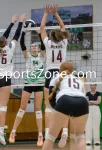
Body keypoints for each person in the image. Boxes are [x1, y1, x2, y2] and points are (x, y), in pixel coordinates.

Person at [0, 13, 27, 145]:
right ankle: (0, 129)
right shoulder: (10, 48)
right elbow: (16, 35)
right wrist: (20, 22)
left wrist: (12, 22)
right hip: (4, 79)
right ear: (5, 43)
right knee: (2, 107)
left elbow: (4, 35)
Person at [9, 29, 46, 146]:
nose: (34, 47)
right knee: (22, 107)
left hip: (39, 85)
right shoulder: (27, 55)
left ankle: (40, 135)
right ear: (30, 49)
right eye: (32, 46)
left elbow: (43, 44)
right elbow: (22, 44)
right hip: (28, 84)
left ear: (39, 49)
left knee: (38, 109)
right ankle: (13, 132)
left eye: (36, 46)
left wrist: (40, 33)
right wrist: (24, 33)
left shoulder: (42, 55)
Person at [40, 4, 70, 147]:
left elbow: (41, 30)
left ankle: (48, 135)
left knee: (48, 106)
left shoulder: (47, 43)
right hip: (62, 73)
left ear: (51, 37)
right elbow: (63, 28)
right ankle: (64, 133)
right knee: (63, 105)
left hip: (50, 73)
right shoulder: (64, 43)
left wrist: (46, 14)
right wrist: (56, 14)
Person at [42, 62, 89, 150]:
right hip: (82, 102)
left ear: (60, 71)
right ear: (72, 71)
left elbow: (51, 99)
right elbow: (83, 95)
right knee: (80, 136)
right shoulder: (79, 79)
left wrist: (58, 111)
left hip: (65, 100)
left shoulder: (56, 78)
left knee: (50, 137)